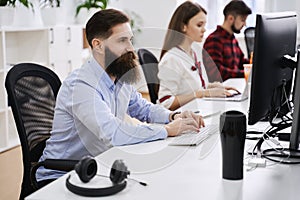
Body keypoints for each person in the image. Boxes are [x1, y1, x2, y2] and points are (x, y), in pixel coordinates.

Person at [36, 9, 204, 184]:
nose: (131, 48)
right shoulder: (80, 85)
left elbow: (143, 108)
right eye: (122, 40)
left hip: (98, 166)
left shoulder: (119, 77)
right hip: (62, 176)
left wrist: (173, 116)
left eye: (130, 40)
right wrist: (167, 130)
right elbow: (112, 132)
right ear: (98, 45)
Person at [158, 1, 237, 111]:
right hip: (183, 119)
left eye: (204, 25)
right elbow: (166, 102)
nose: (204, 29)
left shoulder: (192, 53)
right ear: (183, 27)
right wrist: (204, 93)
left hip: (198, 112)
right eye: (199, 25)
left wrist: (215, 87)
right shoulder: (172, 59)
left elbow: (195, 87)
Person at [202, 0, 252, 82]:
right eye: (242, 20)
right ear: (231, 18)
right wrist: (245, 73)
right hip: (221, 89)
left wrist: (255, 66)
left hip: (233, 86)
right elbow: (216, 73)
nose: (245, 24)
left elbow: (241, 62)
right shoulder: (214, 40)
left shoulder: (232, 39)